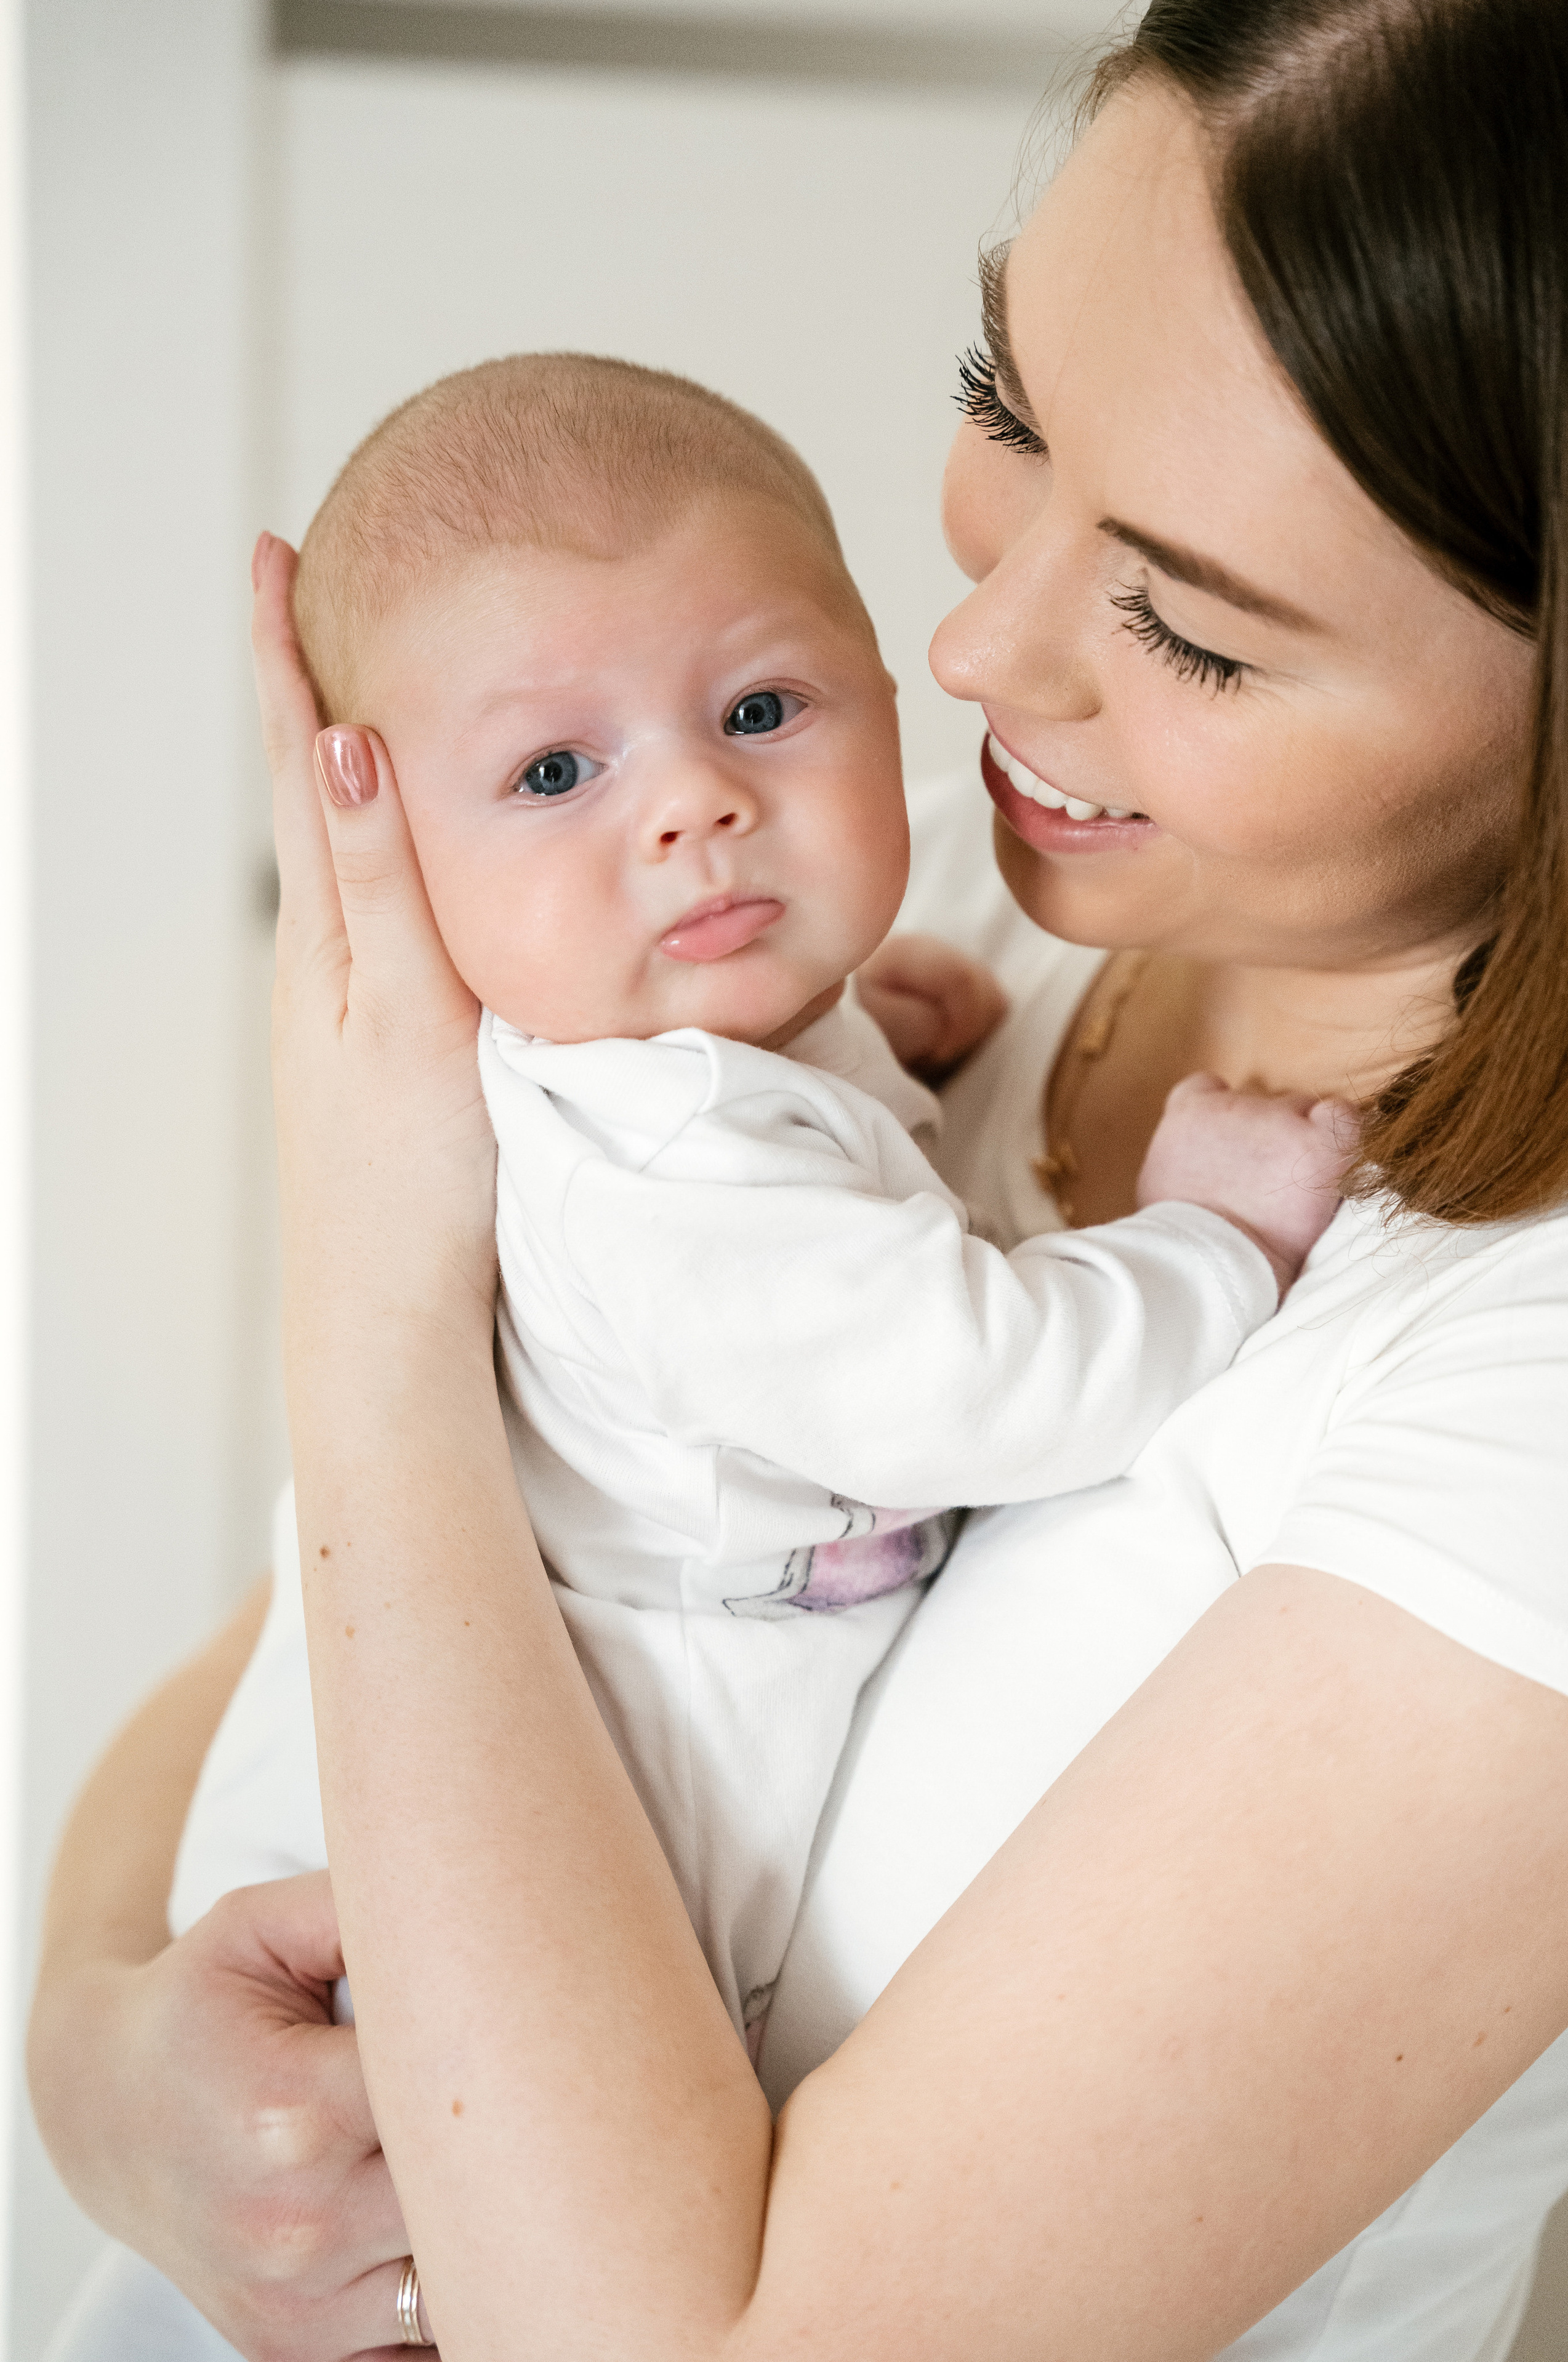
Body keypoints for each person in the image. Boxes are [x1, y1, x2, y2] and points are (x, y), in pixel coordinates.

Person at [26, 0, 1568, 2355]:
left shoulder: (1526, 1391)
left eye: (1184, 622)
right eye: (1007, 405)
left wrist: (368, 1293)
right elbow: (341, 1624)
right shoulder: (945, 877)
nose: (967, 641)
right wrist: (102, 2065)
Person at [171, 348, 1344, 2054]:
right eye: (555, 775)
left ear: (878, 689)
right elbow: (971, 1382)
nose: (695, 805)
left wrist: (861, 1046)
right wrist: (1214, 1241)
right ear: (393, 862)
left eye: (762, 712)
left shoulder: (694, 1057)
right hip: (540, 1844)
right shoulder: (664, 1171)